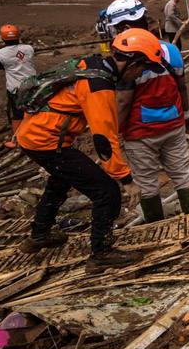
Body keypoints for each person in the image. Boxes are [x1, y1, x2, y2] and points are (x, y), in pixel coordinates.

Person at [13, 40, 145, 271]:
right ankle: (100, 253)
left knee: (60, 180)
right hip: (47, 141)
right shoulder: (99, 85)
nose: (140, 74)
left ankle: (40, 234)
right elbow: (104, 139)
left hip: (32, 135)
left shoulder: (93, 64)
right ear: (132, 63)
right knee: (106, 191)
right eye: (141, 68)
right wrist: (125, 179)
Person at [112, 28, 189, 223]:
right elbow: (182, 86)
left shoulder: (128, 63)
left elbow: (123, 102)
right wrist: (186, 114)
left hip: (140, 132)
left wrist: (115, 132)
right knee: (182, 174)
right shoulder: (171, 52)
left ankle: (156, 227)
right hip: (173, 124)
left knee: (147, 183)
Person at [0, 24, 37, 149]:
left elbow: (2, 67)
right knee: (34, 109)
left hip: (16, 87)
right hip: (33, 84)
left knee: (17, 114)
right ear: (18, 35)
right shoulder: (29, 48)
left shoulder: (0, 54)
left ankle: (17, 140)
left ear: (2, 38)